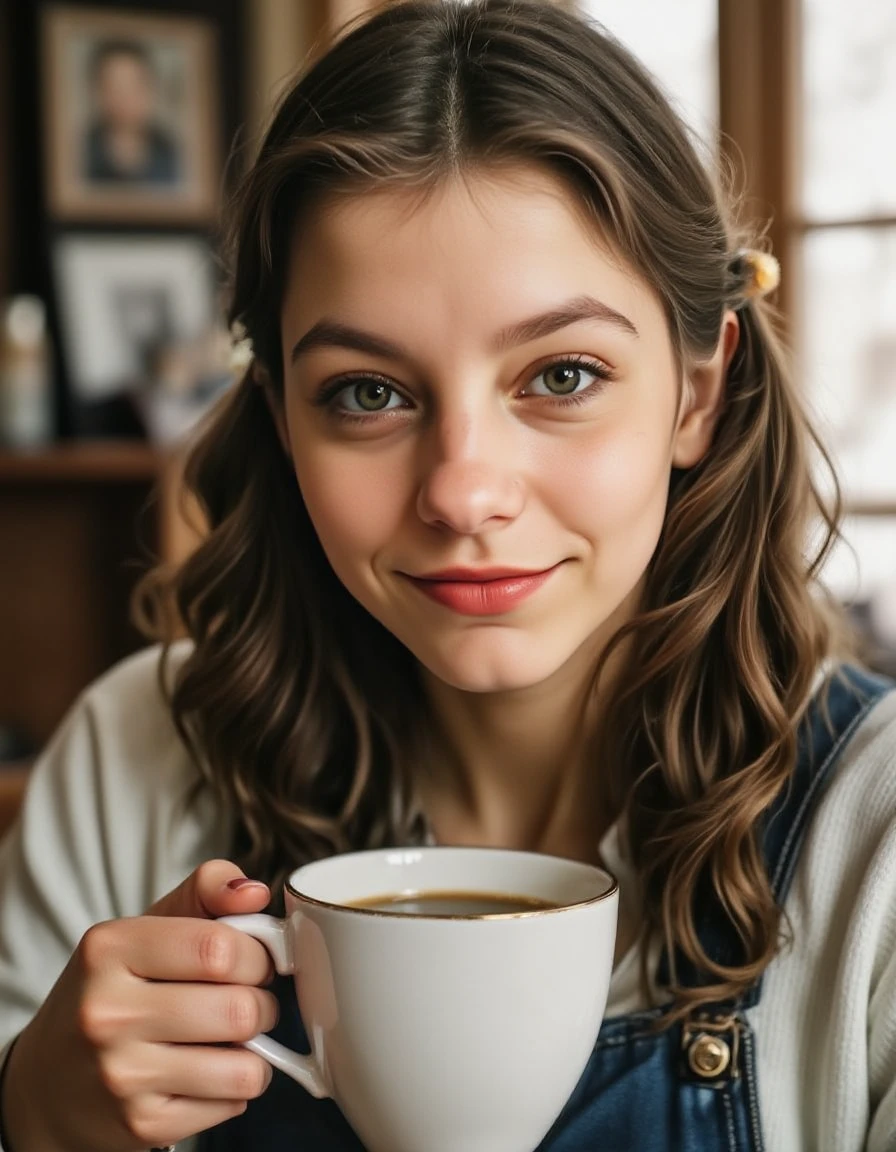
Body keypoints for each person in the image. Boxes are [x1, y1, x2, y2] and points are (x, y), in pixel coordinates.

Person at [2, 1, 895, 1149]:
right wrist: (35, 1113)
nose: (463, 492)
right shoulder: (131, 761)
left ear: (696, 391)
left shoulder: (872, 837)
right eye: (367, 393)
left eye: (561, 375)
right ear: (280, 419)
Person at [83, 39, 180, 186]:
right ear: (97, 91)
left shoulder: (168, 151)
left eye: (133, 86)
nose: (124, 98)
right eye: (114, 87)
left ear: (150, 89)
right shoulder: (83, 151)